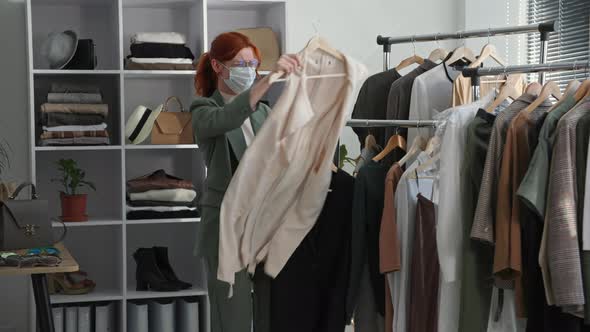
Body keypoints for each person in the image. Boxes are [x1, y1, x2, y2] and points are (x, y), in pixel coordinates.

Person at [191, 31, 300, 332]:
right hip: (227, 232)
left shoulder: (263, 112)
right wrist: (269, 80)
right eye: (241, 63)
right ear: (217, 66)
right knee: (233, 319)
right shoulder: (203, 110)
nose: (249, 71)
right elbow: (228, 118)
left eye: (253, 64)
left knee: (269, 316)